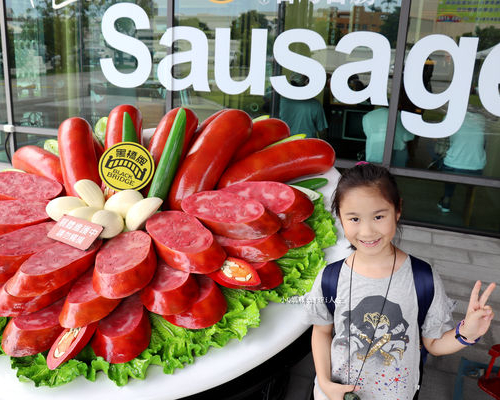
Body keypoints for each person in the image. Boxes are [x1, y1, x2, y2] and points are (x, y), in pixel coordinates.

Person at [304, 163, 496, 400]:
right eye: (354, 218)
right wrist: (324, 381)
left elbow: (434, 344)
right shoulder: (330, 278)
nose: (366, 231)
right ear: (340, 218)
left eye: (378, 216)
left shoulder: (422, 278)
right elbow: (322, 331)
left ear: (397, 210)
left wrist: (466, 333)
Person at [437, 110, 487, 213]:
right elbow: (483, 143)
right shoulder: (482, 119)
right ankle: (469, 205)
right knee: (457, 162)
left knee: (447, 160)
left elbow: (440, 147)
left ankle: (447, 198)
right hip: (476, 167)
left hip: (453, 166)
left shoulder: (450, 115)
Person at [279, 73, 328, 138]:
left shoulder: (280, 102)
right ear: (306, 83)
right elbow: (322, 131)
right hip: (307, 145)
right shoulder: (315, 104)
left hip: (285, 144)